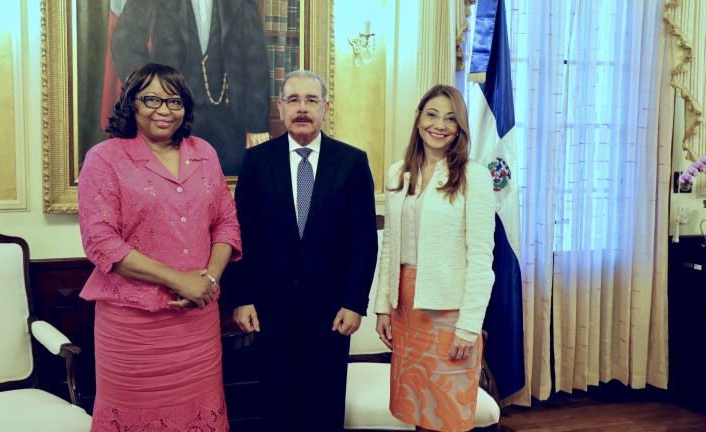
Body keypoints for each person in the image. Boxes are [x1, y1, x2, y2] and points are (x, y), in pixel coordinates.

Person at [77, 63, 241, 431]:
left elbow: (226, 223)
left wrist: (209, 281)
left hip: (196, 324)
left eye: (174, 100)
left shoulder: (205, 153)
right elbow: (101, 243)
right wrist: (179, 280)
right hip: (132, 329)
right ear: (131, 103)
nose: (164, 110)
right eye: (151, 99)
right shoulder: (105, 158)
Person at [230, 70, 378, 432]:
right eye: (293, 99)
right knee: (276, 408)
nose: (302, 108)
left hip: (332, 314)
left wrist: (355, 303)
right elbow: (240, 235)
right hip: (270, 312)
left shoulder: (352, 162)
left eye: (311, 100)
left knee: (324, 410)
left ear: (325, 108)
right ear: (281, 107)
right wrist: (242, 298)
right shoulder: (256, 161)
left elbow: (363, 239)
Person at [374, 84, 496, 432]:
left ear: (460, 128)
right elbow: (390, 249)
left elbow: (481, 258)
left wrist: (469, 326)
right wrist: (384, 305)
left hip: (449, 312)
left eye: (451, 118)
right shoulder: (399, 173)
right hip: (405, 308)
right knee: (416, 412)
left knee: (446, 415)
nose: (439, 124)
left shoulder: (474, 177)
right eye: (432, 114)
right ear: (418, 119)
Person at [108, 0, 271, 176]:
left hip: (230, 117)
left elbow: (256, 58)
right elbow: (124, 44)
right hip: (171, 117)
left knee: (228, 189)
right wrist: (152, 91)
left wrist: (257, 125)